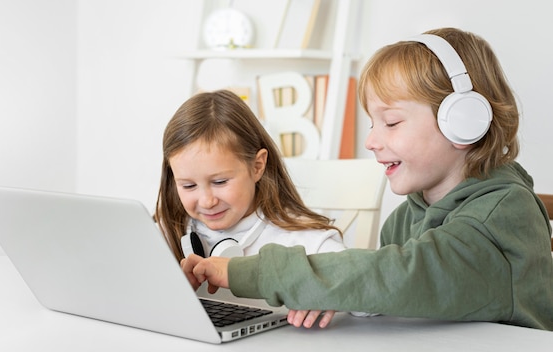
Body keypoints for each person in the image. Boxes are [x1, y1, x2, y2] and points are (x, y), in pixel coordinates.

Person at [181, 27, 553, 331]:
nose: (371, 141)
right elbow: (391, 297)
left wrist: (250, 272)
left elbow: (402, 276)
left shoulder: (501, 215)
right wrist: (335, 293)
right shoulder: (406, 218)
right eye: (372, 123)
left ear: (463, 120)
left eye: (391, 122)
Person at [154, 89, 346, 327]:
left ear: (257, 166)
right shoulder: (163, 233)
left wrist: (335, 293)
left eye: (220, 182)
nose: (206, 201)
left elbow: (368, 289)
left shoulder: (306, 242)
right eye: (189, 185)